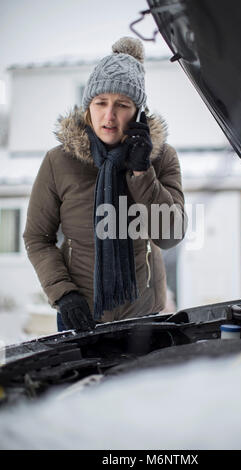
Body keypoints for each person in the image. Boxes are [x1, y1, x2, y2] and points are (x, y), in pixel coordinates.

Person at [23, 37, 187, 332]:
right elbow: (37, 237)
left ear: (138, 113)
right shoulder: (58, 162)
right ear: (88, 107)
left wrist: (141, 172)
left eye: (122, 105)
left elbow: (170, 235)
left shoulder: (161, 158)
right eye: (101, 103)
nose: (109, 116)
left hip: (144, 314)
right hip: (81, 314)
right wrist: (64, 293)